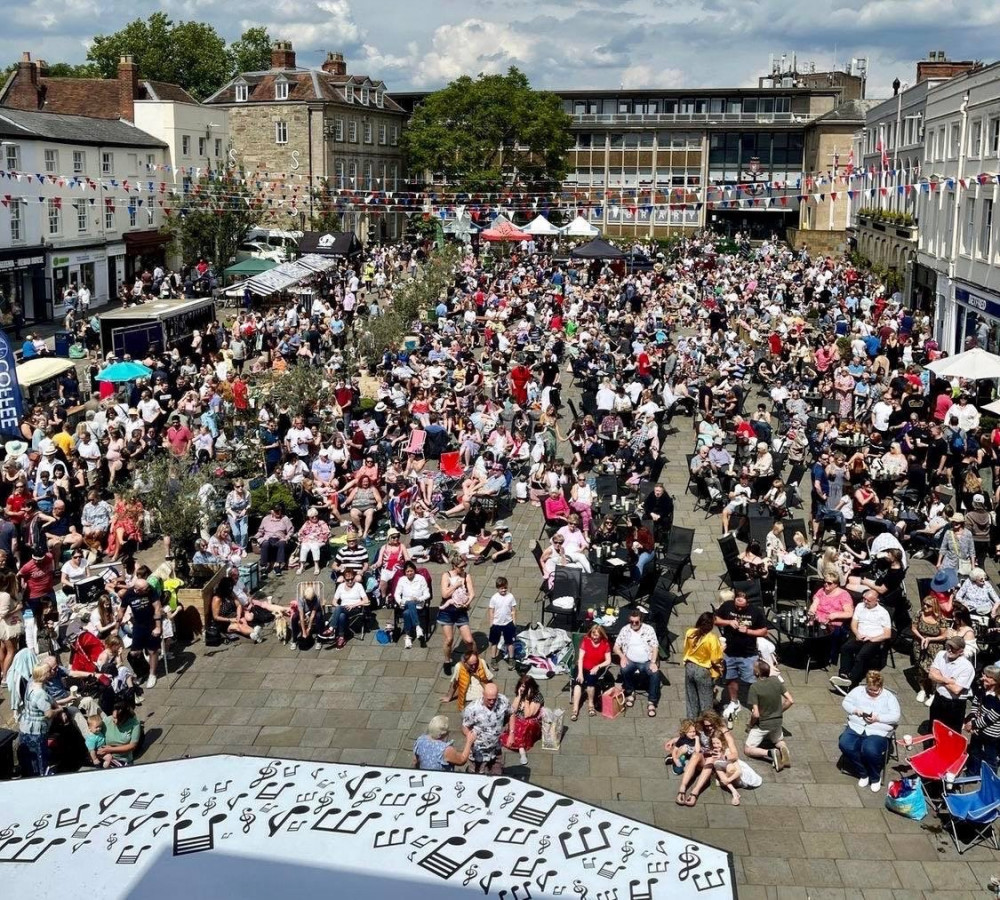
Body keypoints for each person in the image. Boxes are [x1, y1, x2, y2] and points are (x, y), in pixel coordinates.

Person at [837, 670, 901, 792]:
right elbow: (846, 702)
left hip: (877, 730)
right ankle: (863, 772)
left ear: (880, 687)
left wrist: (878, 718)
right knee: (844, 744)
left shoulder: (889, 697)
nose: (872, 693)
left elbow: (896, 716)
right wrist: (856, 710)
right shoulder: (858, 691)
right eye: (870, 690)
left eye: (875, 691)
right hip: (857, 726)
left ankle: (875, 777)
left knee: (869, 749)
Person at [714, 588, 769, 725]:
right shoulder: (727, 606)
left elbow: (764, 631)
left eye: (741, 607)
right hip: (730, 652)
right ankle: (734, 701)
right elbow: (715, 619)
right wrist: (728, 622)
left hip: (748, 653)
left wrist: (748, 631)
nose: (738, 609)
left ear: (748, 603)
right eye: (736, 606)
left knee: (752, 681)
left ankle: (755, 705)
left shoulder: (755, 612)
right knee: (731, 678)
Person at [830, 590, 893, 693]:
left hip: (874, 640)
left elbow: (887, 634)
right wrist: (857, 633)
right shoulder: (860, 606)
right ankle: (843, 675)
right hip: (860, 636)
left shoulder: (883, 613)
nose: (865, 601)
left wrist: (873, 638)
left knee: (861, 656)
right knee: (845, 648)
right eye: (864, 599)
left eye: (868, 600)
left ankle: (852, 681)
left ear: (876, 601)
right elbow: (854, 624)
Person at [744, 659, 794, 772]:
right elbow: (790, 700)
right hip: (777, 723)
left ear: (757, 673)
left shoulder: (754, 687)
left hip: (763, 724)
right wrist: (779, 712)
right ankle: (783, 749)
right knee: (778, 740)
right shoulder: (776, 681)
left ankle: (770, 753)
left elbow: (756, 714)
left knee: (748, 749)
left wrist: (750, 725)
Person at [115, 578, 163, 689]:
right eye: (145, 589)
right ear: (137, 589)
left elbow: (157, 607)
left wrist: (158, 627)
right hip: (138, 625)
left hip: (151, 624)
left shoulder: (151, 590)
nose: (148, 590)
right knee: (134, 653)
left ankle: (152, 674)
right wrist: (116, 628)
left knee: (152, 650)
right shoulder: (129, 594)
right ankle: (143, 671)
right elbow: (121, 611)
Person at [613, 610, 661, 717]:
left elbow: (655, 647)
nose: (634, 624)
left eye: (636, 622)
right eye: (632, 622)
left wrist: (653, 662)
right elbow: (616, 647)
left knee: (655, 673)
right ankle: (630, 692)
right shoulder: (625, 630)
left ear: (641, 621)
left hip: (646, 660)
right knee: (624, 668)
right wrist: (622, 657)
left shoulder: (648, 629)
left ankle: (652, 701)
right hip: (630, 660)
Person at [17, 661, 59, 776]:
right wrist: (59, 711)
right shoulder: (40, 693)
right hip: (36, 731)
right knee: (39, 757)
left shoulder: (31, 685)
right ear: (44, 675)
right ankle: (41, 776)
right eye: (49, 671)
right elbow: (49, 714)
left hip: (25, 727)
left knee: (28, 759)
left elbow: (50, 698)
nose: (51, 672)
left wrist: (56, 705)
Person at [927, 635, 975, 732]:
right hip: (938, 698)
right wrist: (948, 680)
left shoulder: (967, 667)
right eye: (948, 646)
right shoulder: (941, 654)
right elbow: (931, 675)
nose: (949, 650)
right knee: (933, 728)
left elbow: (956, 690)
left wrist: (939, 677)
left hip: (954, 704)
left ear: (961, 651)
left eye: (953, 649)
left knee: (951, 732)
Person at [461, 682, 510, 775]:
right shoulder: (472, 709)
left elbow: (511, 713)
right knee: (477, 777)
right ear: (483, 695)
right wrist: (470, 738)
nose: (492, 702)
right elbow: (465, 726)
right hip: (479, 752)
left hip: (496, 748)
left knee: (497, 776)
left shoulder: (503, 701)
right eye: (489, 699)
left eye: (494, 699)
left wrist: (511, 733)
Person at [681, 611, 723, 720]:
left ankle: (691, 723)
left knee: (691, 698)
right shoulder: (711, 638)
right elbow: (715, 659)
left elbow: (686, 648)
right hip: (703, 670)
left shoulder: (690, 632)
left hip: (689, 667)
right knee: (706, 702)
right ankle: (706, 726)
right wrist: (722, 649)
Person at [439, 553, 476, 676]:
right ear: (454, 566)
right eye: (461, 566)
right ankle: (447, 661)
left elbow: (472, 593)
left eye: (464, 565)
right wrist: (455, 585)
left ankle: (474, 659)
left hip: (460, 611)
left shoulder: (466, 576)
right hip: (447, 611)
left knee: (469, 640)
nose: (463, 568)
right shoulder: (446, 575)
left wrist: (467, 603)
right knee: (449, 639)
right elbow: (444, 595)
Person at [571, 624, 612, 721]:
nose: (594, 638)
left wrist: (598, 667)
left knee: (590, 682)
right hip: (582, 666)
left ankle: (591, 704)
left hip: (594, 668)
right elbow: (580, 659)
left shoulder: (605, 644)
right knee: (578, 683)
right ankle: (575, 709)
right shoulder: (586, 641)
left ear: (601, 635)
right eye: (593, 635)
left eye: (597, 636)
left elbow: (608, 660)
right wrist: (580, 673)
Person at [501, 673, 544, 766]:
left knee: (523, 726)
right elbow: (513, 710)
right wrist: (519, 696)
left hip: (531, 721)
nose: (522, 688)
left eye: (524, 686)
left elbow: (527, 714)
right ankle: (521, 748)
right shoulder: (521, 693)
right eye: (521, 685)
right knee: (514, 722)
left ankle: (522, 751)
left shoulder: (537, 697)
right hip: (518, 719)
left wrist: (527, 700)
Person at [323, 568, 370, 649]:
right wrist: (338, 607)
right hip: (343, 608)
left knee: (339, 609)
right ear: (344, 579)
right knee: (341, 615)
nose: (350, 581)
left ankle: (331, 628)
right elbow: (334, 601)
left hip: (355, 609)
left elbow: (366, 600)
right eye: (348, 580)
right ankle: (341, 637)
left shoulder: (358, 586)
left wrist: (354, 605)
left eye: (352, 579)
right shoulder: (341, 586)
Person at [966, 666, 1000, 767]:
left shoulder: (998, 698)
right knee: (974, 752)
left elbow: (990, 718)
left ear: (996, 680)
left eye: (988, 677)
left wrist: (973, 724)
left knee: (990, 756)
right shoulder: (982, 689)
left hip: (991, 733)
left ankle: (990, 777)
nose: (983, 678)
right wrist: (972, 717)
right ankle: (972, 773)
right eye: (983, 675)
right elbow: (975, 703)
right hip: (978, 729)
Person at [393, 560, 430, 649]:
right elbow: (396, 594)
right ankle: (417, 627)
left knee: (406, 613)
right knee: (409, 603)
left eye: (411, 571)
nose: (409, 573)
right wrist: (400, 601)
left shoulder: (420, 579)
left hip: (418, 604)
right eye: (407, 571)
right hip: (405, 604)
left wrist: (419, 599)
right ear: (405, 572)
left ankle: (408, 636)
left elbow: (427, 594)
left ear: (414, 570)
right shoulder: (402, 580)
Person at [486, 576, 517, 667]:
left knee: (510, 642)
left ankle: (511, 659)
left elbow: (513, 610)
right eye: (501, 588)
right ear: (497, 588)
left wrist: (514, 621)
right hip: (496, 623)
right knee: (494, 642)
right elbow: (491, 610)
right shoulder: (494, 598)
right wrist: (491, 623)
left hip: (508, 622)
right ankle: (493, 659)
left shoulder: (511, 597)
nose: (503, 590)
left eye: (505, 588)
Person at [255, 504, 294, 575]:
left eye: (280, 510)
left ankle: (277, 565)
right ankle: (263, 566)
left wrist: (286, 538)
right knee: (265, 543)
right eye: (276, 511)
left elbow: (291, 530)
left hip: (279, 539)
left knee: (282, 543)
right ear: (272, 511)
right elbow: (260, 530)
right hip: (268, 538)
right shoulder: (266, 519)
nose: (278, 512)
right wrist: (257, 537)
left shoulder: (285, 518)